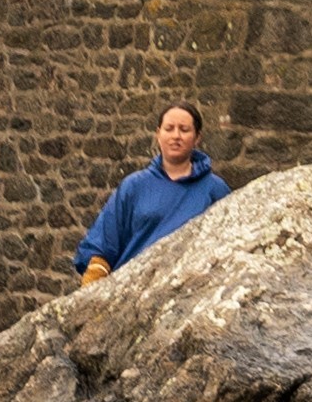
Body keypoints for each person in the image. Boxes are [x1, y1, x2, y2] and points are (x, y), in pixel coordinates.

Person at [74, 100, 228, 281]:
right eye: (169, 128)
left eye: (184, 130)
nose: (176, 136)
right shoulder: (134, 186)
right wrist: (95, 275)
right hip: (131, 290)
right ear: (158, 134)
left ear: (197, 137)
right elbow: (103, 242)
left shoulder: (215, 190)